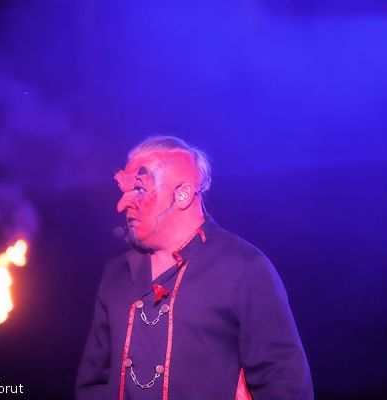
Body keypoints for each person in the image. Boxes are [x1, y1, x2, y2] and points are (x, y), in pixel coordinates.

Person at [76, 136, 313, 400]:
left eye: (140, 190)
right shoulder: (116, 274)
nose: (122, 204)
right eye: (124, 192)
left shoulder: (243, 268)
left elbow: (284, 383)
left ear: (183, 194)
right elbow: (92, 384)